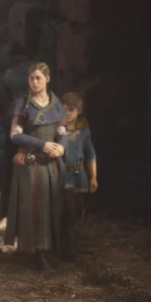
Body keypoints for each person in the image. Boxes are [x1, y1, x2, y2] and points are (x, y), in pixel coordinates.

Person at [0, 62, 69, 272]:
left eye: (38, 78)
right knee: (35, 206)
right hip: (30, 163)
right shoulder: (23, 102)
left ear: (47, 79)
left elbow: (63, 131)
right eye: (31, 78)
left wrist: (62, 148)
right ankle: (38, 253)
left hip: (52, 164)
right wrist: (43, 145)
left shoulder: (55, 102)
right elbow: (15, 135)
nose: (34, 82)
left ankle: (54, 249)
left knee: (53, 205)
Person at [60, 92, 97, 231]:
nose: (68, 113)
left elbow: (90, 153)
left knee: (79, 207)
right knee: (69, 208)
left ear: (79, 111)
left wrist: (93, 177)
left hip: (79, 174)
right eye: (65, 110)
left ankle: (77, 238)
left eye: (71, 110)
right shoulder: (58, 131)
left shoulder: (84, 131)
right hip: (64, 173)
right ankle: (66, 242)